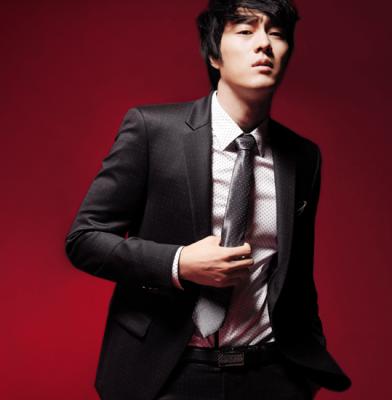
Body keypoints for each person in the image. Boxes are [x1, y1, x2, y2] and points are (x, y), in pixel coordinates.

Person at [65, 1, 351, 399]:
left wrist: (303, 372)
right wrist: (179, 263)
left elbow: (297, 275)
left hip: (270, 374)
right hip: (170, 373)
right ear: (215, 55)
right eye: (246, 31)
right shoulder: (152, 131)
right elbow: (84, 239)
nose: (264, 44)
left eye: (277, 33)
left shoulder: (302, 157)